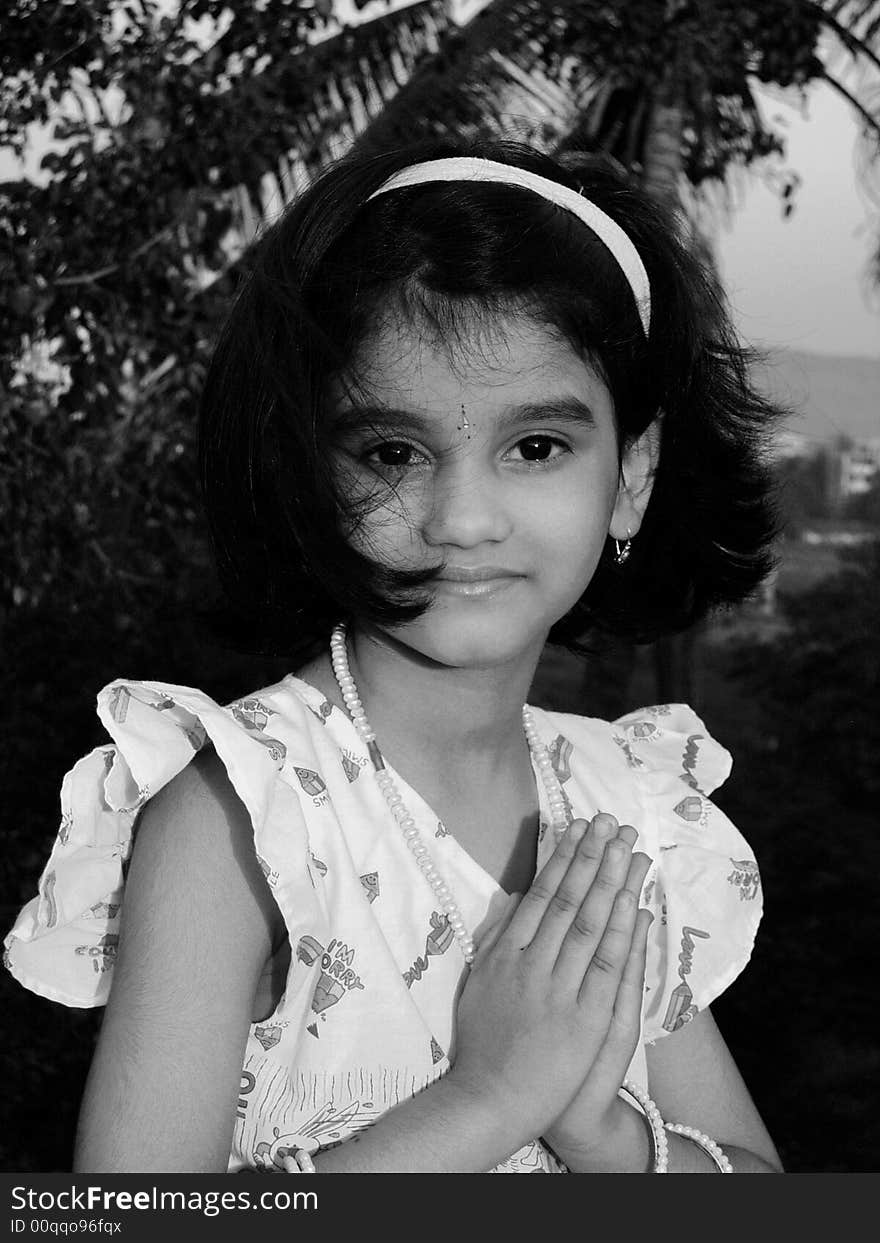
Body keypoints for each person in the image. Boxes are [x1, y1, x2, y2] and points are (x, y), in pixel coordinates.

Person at [5, 138, 784, 1174]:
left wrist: (599, 1129)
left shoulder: (623, 815)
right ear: (311, 474)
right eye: (391, 453)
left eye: (536, 446)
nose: (463, 518)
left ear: (631, 474)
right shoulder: (245, 819)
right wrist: (492, 1098)